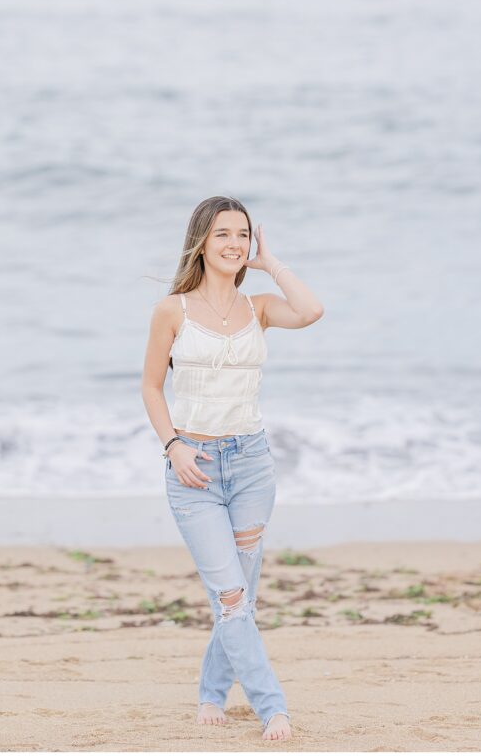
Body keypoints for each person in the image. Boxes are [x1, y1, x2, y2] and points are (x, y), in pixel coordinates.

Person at [141, 195, 324, 742]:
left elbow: (311, 311)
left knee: (240, 594)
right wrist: (172, 445)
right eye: (223, 234)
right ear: (201, 240)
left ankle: (211, 695)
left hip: (250, 466)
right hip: (193, 469)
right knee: (232, 598)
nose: (234, 244)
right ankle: (274, 707)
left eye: (242, 235)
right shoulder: (172, 309)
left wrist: (273, 264)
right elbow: (151, 386)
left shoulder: (260, 307)